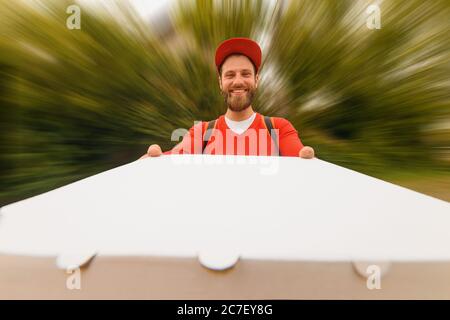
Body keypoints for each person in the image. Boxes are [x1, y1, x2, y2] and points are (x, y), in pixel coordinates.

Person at [140, 37, 315, 159]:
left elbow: (300, 161)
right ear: (220, 82)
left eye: (245, 74)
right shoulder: (202, 132)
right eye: (230, 75)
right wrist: (155, 159)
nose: (238, 81)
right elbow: (174, 158)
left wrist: (306, 159)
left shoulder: (279, 128)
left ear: (256, 80)